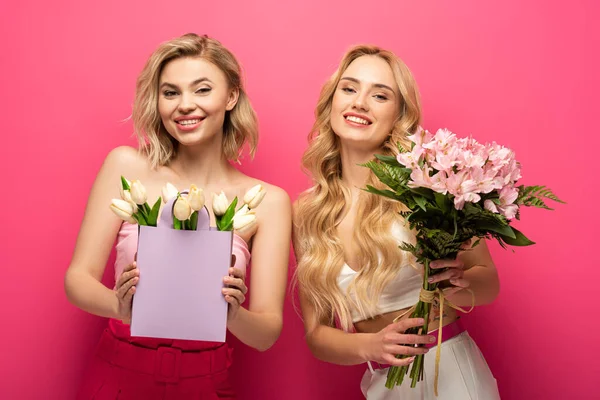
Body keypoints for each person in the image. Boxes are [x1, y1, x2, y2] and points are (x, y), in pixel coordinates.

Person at [65, 33, 291, 399]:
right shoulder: (126, 167)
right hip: (118, 375)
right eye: (170, 93)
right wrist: (119, 306)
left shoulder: (267, 201)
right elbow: (77, 279)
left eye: (202, 90)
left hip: (208, 383)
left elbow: (266, 334)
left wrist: (231, 313)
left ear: (231, 96)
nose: (185, 105)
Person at [292, 45, 501, 399]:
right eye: (349, 88)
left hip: (447, 373)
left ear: (398, 116)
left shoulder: (428, 185)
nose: (359, 102)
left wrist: (455, 283)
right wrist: (370, 346)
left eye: (380, 95)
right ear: (331, 102)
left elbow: (490, 283)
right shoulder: (308, 210)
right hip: (382, 384)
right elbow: (317, 335)